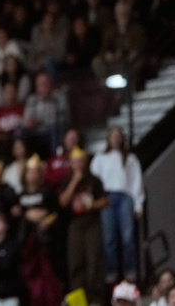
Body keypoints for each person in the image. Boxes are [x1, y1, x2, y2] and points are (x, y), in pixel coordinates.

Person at [91, 127, 144, 284]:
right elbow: (94, 181)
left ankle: (130, 273)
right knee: (109, 240)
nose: (115, 139)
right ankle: (112, 274)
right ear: (108, 138)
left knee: (127, 238)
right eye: (112, 136)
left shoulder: (130, 158)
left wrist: (138, 204)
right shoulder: (100, 157)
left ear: (122, 138)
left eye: (118, 136)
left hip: (125, 197)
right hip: (107, 198)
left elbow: (136, 182)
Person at [61, 147, 108, 306]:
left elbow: (105, 201)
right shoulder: (67, 180)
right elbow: (63, 202)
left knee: (94, 259)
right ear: (71, 163)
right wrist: (75, 180)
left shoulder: (94, 180)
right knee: (76, 262)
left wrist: (91, 205)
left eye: (81, 161)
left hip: (92, 222)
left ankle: (96, 299)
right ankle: (79, 301)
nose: (79, 164)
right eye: (76, 161)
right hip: (74, 224)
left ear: (86, 161)